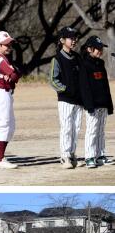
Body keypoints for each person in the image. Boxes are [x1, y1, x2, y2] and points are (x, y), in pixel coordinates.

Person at [50, 26, 83, 169]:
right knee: (66, 127)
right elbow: (53, 80)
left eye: (75, 38)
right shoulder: (57, 59)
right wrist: (66, 89)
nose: (74, 40)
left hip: (79, 100)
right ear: (62, 40)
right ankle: (64, 156)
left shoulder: (77, 57)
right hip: (65, 99)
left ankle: (72, 155)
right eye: (71, 38)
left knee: (76, 128)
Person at [79, 34, 113, 168]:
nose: (100, 51)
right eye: (98, 48)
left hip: (103, 103)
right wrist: (89, 105)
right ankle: (90, 157)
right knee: (92, 130)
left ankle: (100, 155)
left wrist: (109, 104)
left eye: (101, 48)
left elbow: (105, 85)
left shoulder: (100, 63)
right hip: (92, 104)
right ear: (89, 49)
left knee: (101, 131)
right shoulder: (84, 65)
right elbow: (84, 87)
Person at [0, 30, 20, 168]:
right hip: (0, 94)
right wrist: (13, 72)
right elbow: (15, 76)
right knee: (4, 125)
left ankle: (0, 156)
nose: (9, 46)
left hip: (5, 94)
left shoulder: (3, 58)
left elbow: (14, 76)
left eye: (9, 44)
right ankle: (0, 159)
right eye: (6, 44)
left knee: (11, 127)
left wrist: (13, 73)